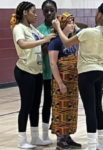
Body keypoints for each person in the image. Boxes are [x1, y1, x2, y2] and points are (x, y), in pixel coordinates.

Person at [51, 0, 103, 150]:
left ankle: (91, 145)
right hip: (101, 72)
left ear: (99, 14)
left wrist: (58, 27)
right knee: (98, 108)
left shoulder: (87, 32)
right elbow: (85, 34)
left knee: (90, 109)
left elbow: (66, 41)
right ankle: (102, 144)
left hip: (87, 73)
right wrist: (77, 28)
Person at [10, 1, 56, 149]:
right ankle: (22, 140)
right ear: (25, 13)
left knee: (35, 105)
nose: (36, 15)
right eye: (33, 12)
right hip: (24, 71)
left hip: (37, 72)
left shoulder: (33, 29)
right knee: (26, 105)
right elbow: (22, 44)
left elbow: (47, 38)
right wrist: (44, 40)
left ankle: (35, 137)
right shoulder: (19, 28)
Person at [48, 12, 82, 150]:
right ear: (62, 25)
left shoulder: (72, 40)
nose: (72, 25)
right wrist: (60, 83)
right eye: (69, 22)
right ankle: (60, 140)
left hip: (72, 83)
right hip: (61, 82)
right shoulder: (55, 42)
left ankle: (67, 136)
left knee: (71, 110)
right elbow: (53, 64)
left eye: (73, 22)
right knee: (61, 109)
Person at [37, 0, 57, 144]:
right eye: (46, 10)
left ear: (56, 10)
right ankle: (44, 134)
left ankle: (62, 134)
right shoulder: (39, 29)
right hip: (45, 72)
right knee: (47, 102)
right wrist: (48, 38)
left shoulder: (61, 27)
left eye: (51, 10)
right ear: (42, 11)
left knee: (60, 103)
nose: (49, 13)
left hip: (60, 72)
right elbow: (42, 51)